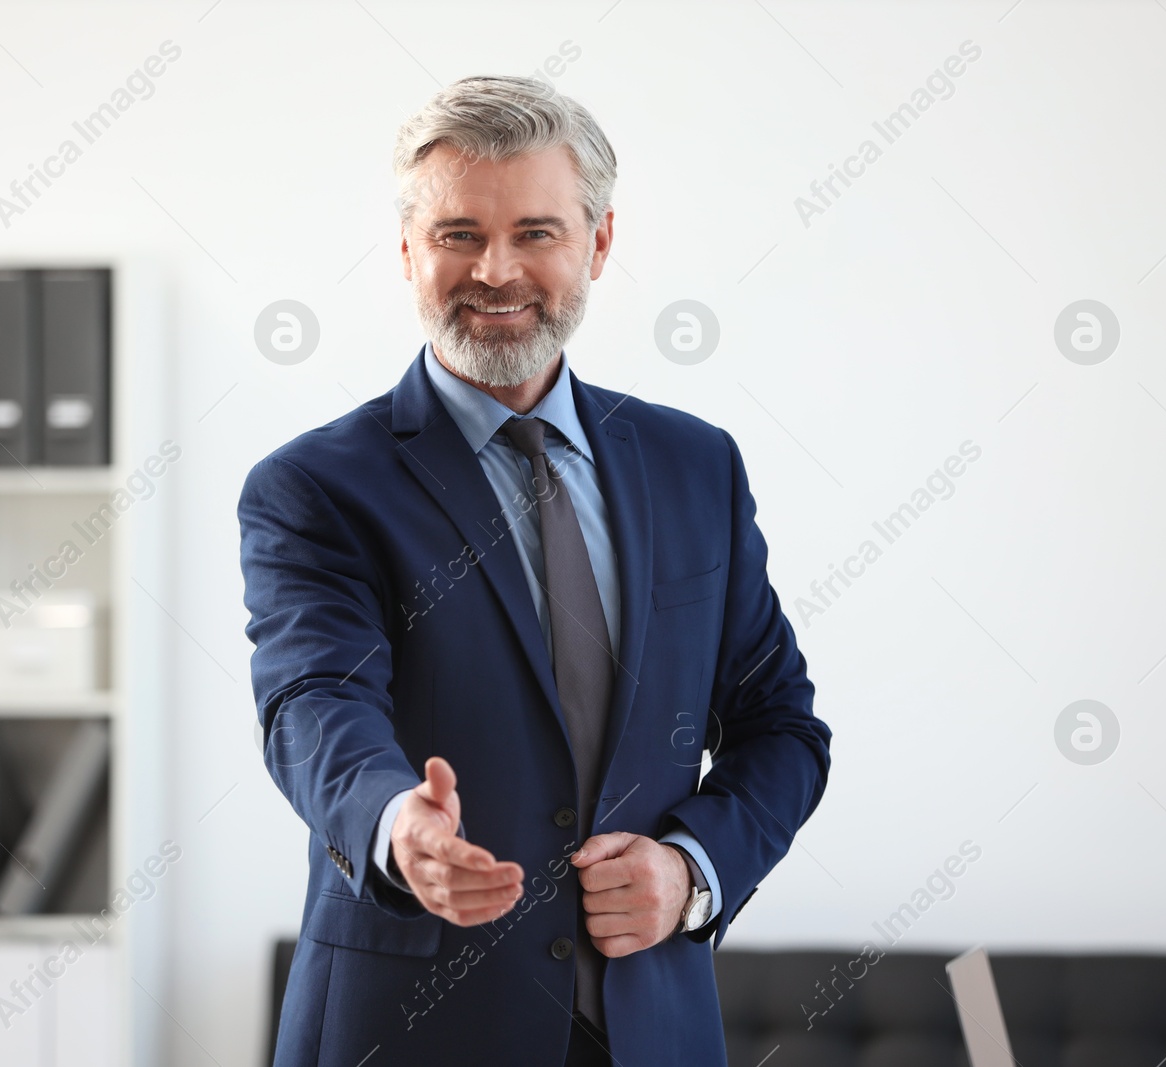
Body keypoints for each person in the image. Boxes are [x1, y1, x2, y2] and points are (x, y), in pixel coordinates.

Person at [239, 74, 831, 1067]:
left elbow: (781, 727)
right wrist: (395, 824)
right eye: (459, 234)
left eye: (537, 233)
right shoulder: (314, 486)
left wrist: (691, 868)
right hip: (410, 1025)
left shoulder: (696, 466)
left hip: (649, 1029)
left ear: (598, 244)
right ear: (407, 251)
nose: (496, 269)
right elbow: (310, 699)